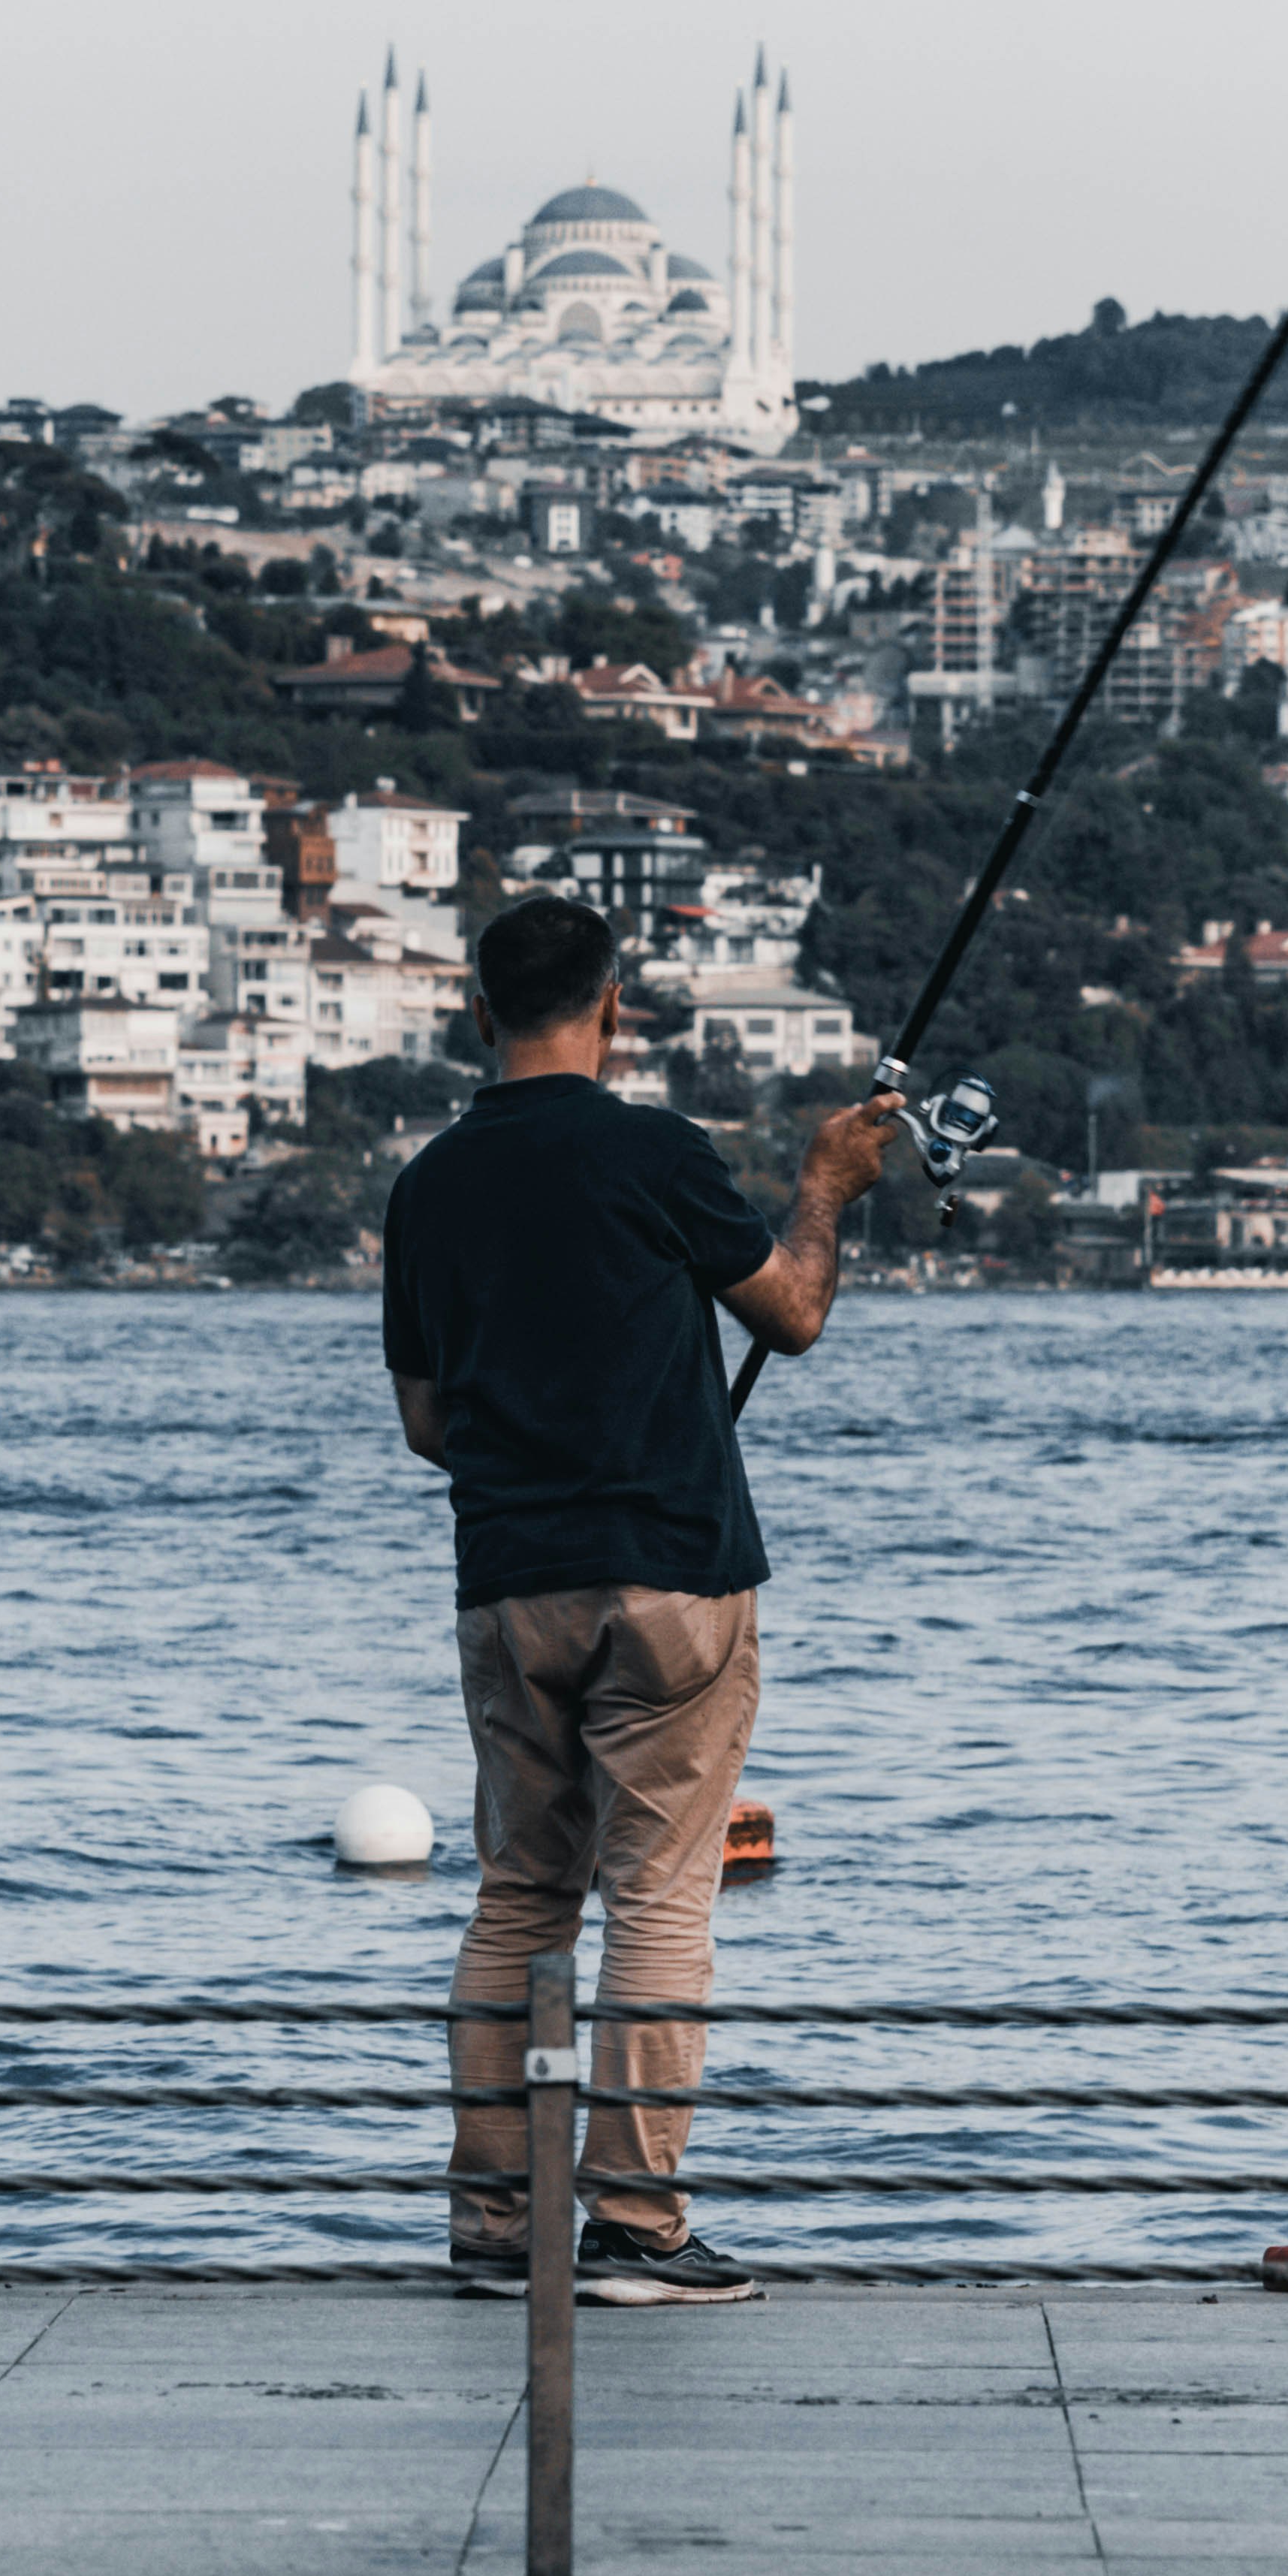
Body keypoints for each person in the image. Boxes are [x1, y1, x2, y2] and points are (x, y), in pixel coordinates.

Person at [383, 890, 900, 2306]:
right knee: (659, 1897)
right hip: (671, 1572)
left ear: (476, 1011)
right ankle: (634, 2229)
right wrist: (825, 1182)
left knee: (518, 1899)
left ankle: (495, 2233)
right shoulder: (653, 1154)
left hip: (507, 1587)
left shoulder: (426, 1186)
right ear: (614, 1008)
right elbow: (789, 1312)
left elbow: (429, 1427)